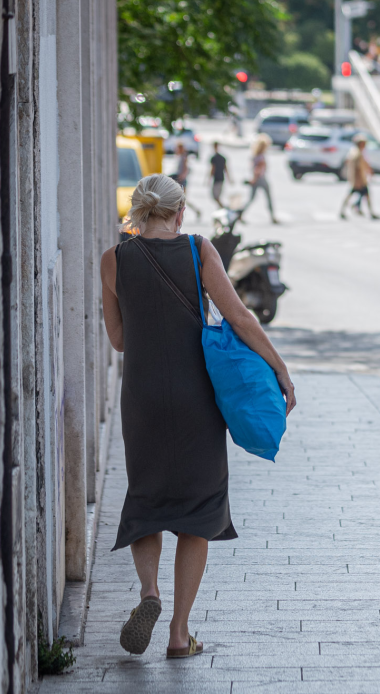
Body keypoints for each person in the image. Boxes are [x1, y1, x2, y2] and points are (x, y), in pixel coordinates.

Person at [99, 174, 296, 659]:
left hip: (142, 397)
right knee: (198, 511)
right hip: (194, 398)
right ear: (180, 211)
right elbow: (242, 319)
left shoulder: (114, 259)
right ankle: (179, 633)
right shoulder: (198, 250)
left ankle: (149, 594)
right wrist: (280, 369)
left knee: (146, 498)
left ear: (139, 212)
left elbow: (119, 339)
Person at [338, 134, 379, 220]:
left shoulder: (356, 152)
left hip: (357, 180)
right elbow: (357, 169)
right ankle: (368, 212)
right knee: (359, 195)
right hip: (359, 180)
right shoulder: (356, 153)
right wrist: (359, 181)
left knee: (360, 195)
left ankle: (346, 210)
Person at [245, 135, 277, 224]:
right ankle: (272, 217)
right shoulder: (261, 157)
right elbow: (257, 169)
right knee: (268, 197)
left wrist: (253, 179)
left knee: (251, 199)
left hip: (256, 179)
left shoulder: (255, 155)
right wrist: (254, 179)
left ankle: (240, 214)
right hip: (261, 179)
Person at [209, 142, 229, 209]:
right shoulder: (221, 157)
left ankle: (223, 208)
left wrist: (209, 178)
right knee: (217, 196)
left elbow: (213, 169)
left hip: (217, 178)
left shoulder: (214, 158)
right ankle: (221, 208)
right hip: (220, 178)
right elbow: (226, 169)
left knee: (215, 196)